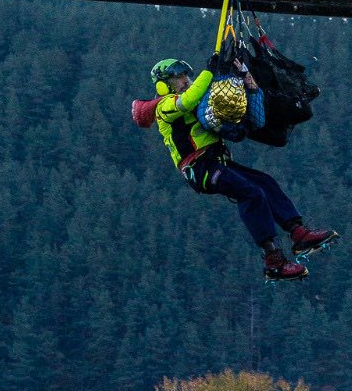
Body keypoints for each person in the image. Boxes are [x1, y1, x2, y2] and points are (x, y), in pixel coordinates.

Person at [132, 56, 339, 281]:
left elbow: (206, 102)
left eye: (186, 75)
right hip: (199, 169)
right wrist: (210, 72)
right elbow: (188, 102)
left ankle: (298, 232)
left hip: (218, 162)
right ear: (164, 83)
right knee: (250, 193)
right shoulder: (165, 106)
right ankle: (273, 260)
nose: (186, 80)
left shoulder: (192, 96)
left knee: (265, 182)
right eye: (179, 77)